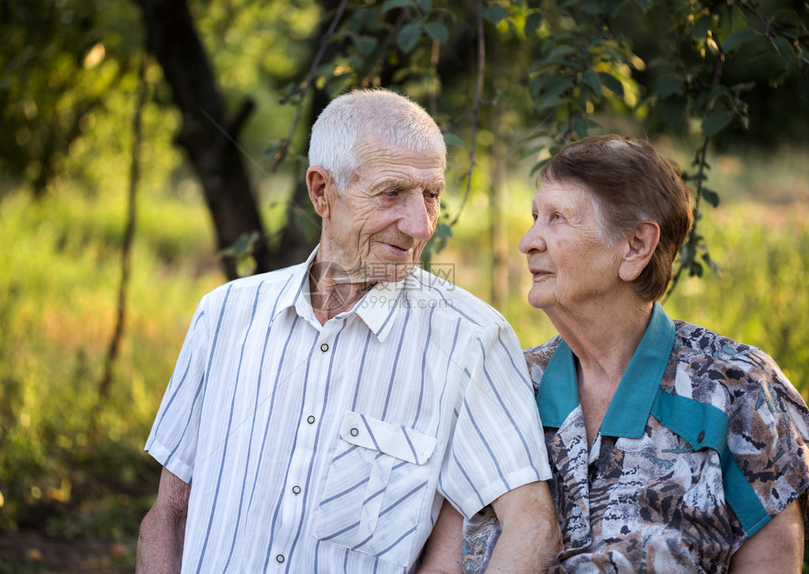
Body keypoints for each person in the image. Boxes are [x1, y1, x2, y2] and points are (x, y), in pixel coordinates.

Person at [136, 88, 560, 573]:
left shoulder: (471, 339)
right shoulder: (224, 314)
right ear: (322, 192)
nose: (421, 226)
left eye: (432, 195)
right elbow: (169, 515)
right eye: (392, 193)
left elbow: (532, 525)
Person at [436, 134, 809, 573]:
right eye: (536, 216)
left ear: (635, 246)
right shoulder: (502, 384)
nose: (528, 241)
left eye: (557, 218)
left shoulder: (738, 390)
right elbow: (443, 563)